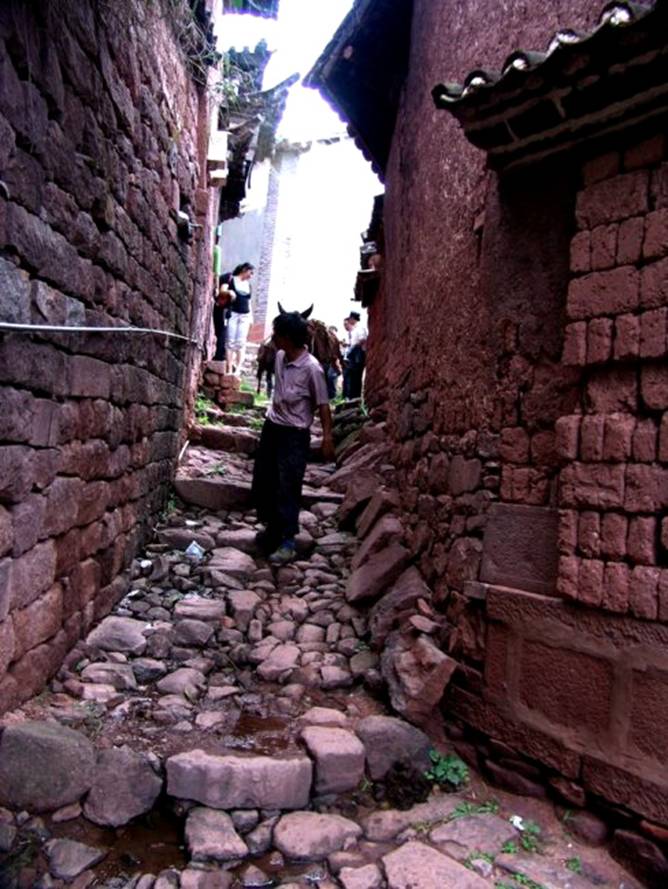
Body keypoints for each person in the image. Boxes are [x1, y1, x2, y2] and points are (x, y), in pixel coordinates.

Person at [252, 309, 335, 565]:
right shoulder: (279, 356)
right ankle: (273, 529)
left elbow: (323, 405)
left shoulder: (312, 369)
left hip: (295, 435)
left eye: (277, 333)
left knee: (288, 485)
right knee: (264, 480)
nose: (273, 338)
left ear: (288, 337)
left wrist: (328, 438)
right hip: (272, 428)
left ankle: (288, 542)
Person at [221, 262, 254, 375]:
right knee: (230, 342)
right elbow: (222, 291)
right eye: (250, 272)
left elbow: (249, 302)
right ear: (244, 270)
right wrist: (229, 292)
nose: (251, 275)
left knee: (241, 343)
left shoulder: (248, 285)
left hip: (245, 316)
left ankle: (238, 369)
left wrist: (251, 319)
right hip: (233, 314)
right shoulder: (231, 279)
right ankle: (229, 369)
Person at [342, 311, 367, 399]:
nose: (349, 321)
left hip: (358, 353)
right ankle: (351, 396)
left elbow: (362, 340)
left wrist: (353, 348)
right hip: (353, 353)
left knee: (357, 375)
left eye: (350, 319)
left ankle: (356, 396)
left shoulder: (360, 328)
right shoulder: (354, 330)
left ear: (353, 319)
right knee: (352, 375)